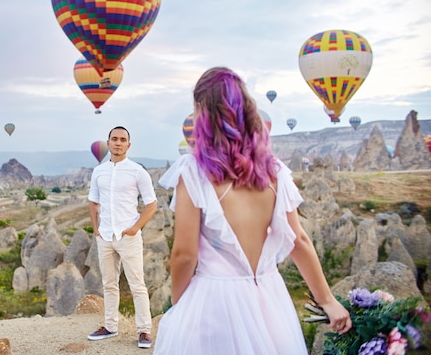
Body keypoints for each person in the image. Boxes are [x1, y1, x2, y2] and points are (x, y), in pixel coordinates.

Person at [154, 67, 352, 354]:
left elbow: (184, 254)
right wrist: (328, 301)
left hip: (215, 298)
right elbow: (298, 240)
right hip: (270, 300)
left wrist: (179, 305)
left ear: (201, 112)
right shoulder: (275, 172)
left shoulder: (194, 172)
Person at [87, 126, 158, 349]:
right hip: (105, 236)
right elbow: (93, 201)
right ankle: (110, 326)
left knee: (137, 285)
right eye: (114, 139)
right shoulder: (98, 171)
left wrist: (135, 228)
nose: (118, 143)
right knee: (109, 283)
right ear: (107, 143)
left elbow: (152, 204)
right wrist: (96, 228)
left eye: (123, 140)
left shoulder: (138, 171)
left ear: (129, 145)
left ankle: (144, 331)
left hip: (128, 236)